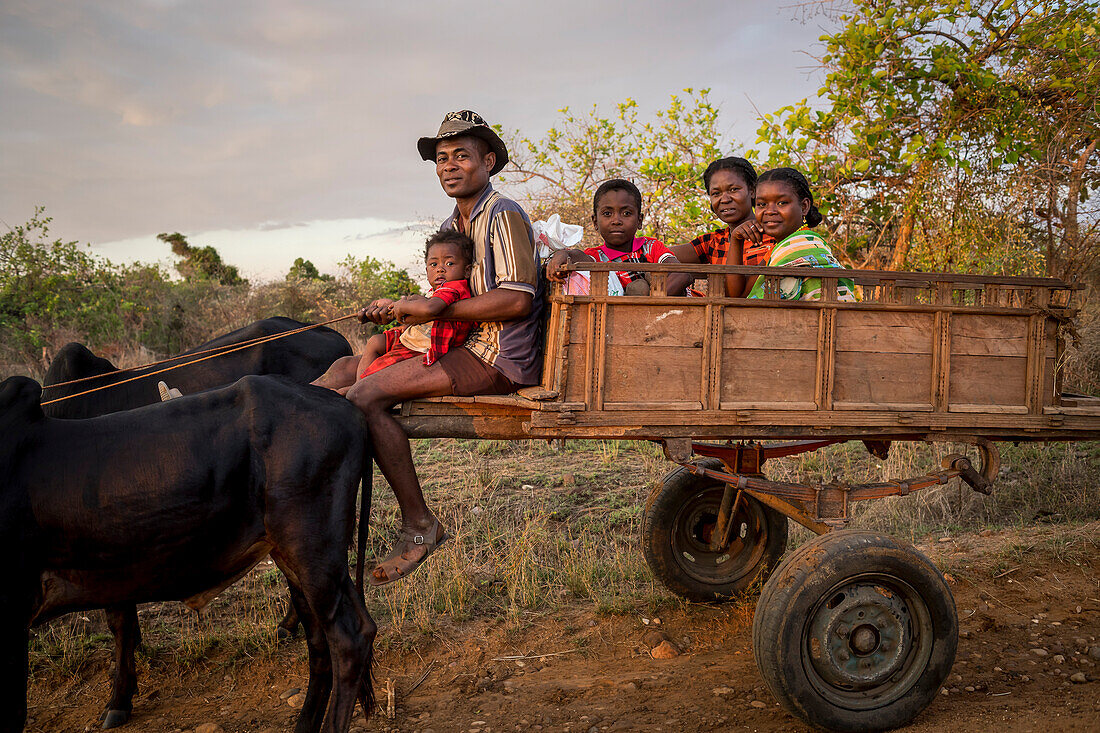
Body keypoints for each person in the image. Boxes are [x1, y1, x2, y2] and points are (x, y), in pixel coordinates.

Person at [311, 110, 543, 586]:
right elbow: (442, 293)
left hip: (496, 355)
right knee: (341, 369)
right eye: (441, 159)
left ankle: (420, 525)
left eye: (462, 155)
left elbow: (518, 300)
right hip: (460, 343)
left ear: (489, 161)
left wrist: (432, 312)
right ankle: (279, 413)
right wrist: (400, 309)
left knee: (365, 394)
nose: (449, 166)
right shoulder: (453, 223)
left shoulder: (504, 214)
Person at [349, 230, 475, 388]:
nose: (440, 269)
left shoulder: (453, 288)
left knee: (380, 369)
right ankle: (358, 384)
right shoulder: (437, 291)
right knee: (375, 341)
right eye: (433, 264)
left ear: (467, 270)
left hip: (423, 348)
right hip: (416, 339)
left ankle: (358, 389)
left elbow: (430, 309)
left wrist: (399, 305)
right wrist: (393, 305)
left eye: (449, 263)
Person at [545, 179, 693, 296]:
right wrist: (562, 254)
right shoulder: (597, 257)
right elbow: (577, 256)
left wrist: (648, 302)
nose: (616, 220)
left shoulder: (650, 247)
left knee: (647, 283)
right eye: (607, 214)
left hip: (663, 315)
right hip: (624, 324)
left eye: (626, 213)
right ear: (595, 222)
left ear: (639, 221)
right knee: (637, 288)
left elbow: (682, 274)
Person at [743, 167, 856, 301]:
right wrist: (736, 240)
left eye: (782, 203)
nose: (769, 211)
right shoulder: (780, 249)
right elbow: (743, 295)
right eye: (761, 204)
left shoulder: (803, 247)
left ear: (804, 207)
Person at [671, 156, 768, 298]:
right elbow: (658, 254)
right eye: (716, 193)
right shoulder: (714, 242)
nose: (725, 199)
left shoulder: (773, 234)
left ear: (752, 190)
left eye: (734, 189)